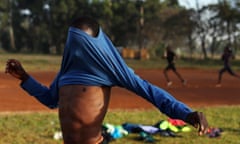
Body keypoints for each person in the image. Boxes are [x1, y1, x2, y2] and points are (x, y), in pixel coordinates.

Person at [5, 16, 208, 144]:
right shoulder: (65, 72)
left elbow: (151, 92)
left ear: (92, 46)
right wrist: (25, 78)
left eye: (79, 43)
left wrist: (187, 114)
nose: (73, 48)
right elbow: (51, 99)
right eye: (71, 42)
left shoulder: (108, 70)